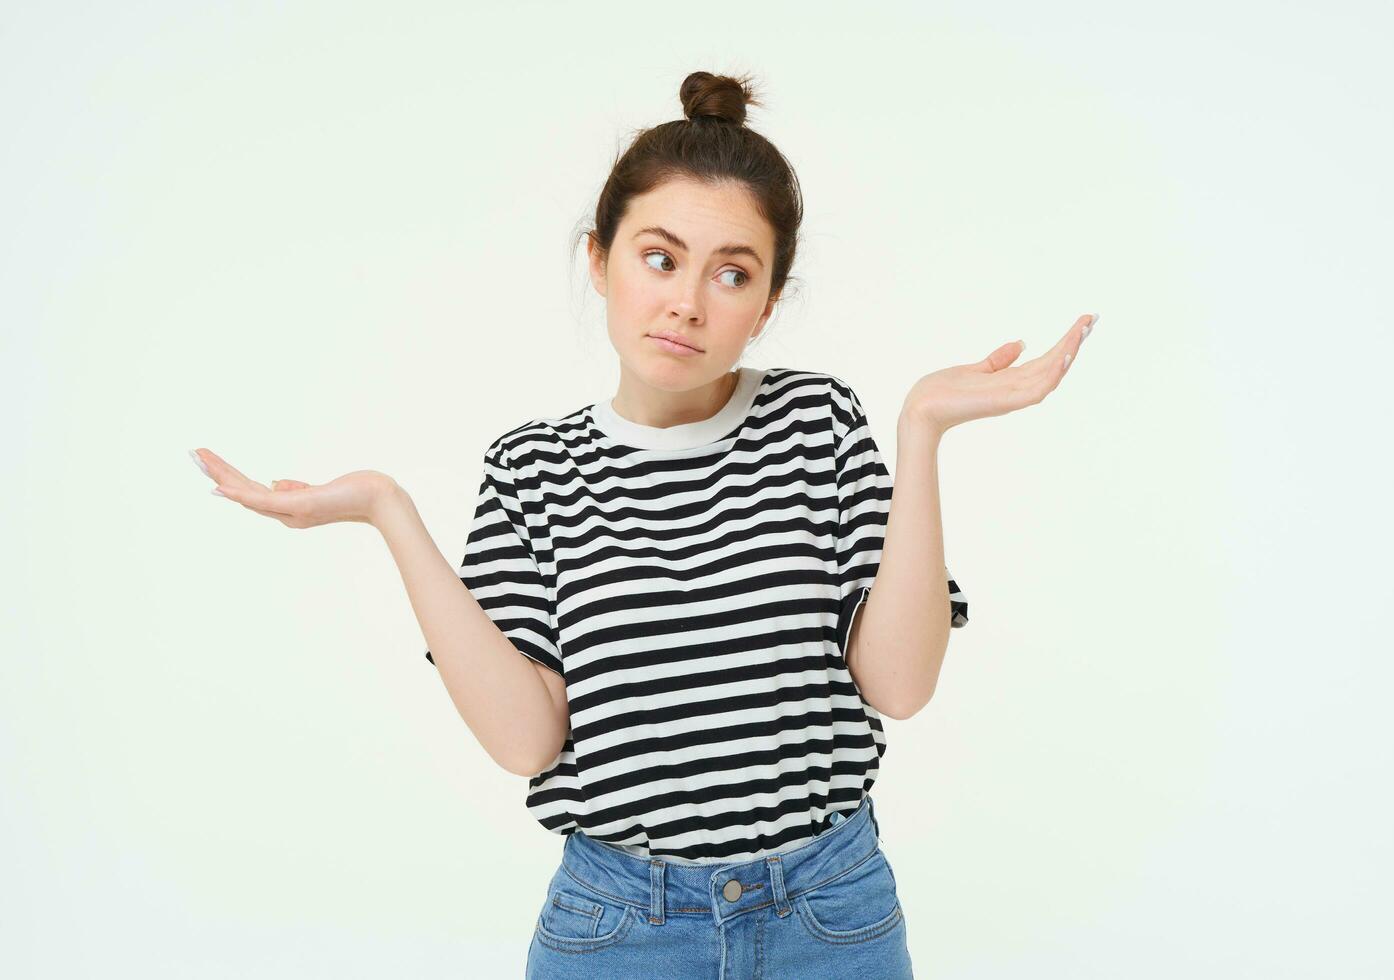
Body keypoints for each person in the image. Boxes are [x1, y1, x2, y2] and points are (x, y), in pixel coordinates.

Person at [191, 69, 1097, 980]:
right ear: (599, 259)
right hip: (621, 931)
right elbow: (525, 742)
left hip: (829, 915)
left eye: (732, 273)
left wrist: (921, 432)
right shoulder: (532, 469)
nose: (689, 302)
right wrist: (389, 511)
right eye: (659, 258)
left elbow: (898, 685)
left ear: (768, 302)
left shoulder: (818, 424)